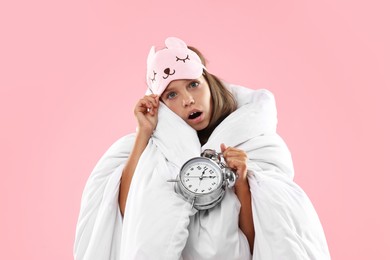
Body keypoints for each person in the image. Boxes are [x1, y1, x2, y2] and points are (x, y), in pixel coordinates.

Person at [74, 37, 331, 260]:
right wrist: (144, 132)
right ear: (161, 104)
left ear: (209, 83)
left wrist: (242, 181)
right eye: (171, 95)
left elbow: (261, 242)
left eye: (193, 84)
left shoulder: (256, 143)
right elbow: (125, 212)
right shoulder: (151, 148)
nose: (187, 100)